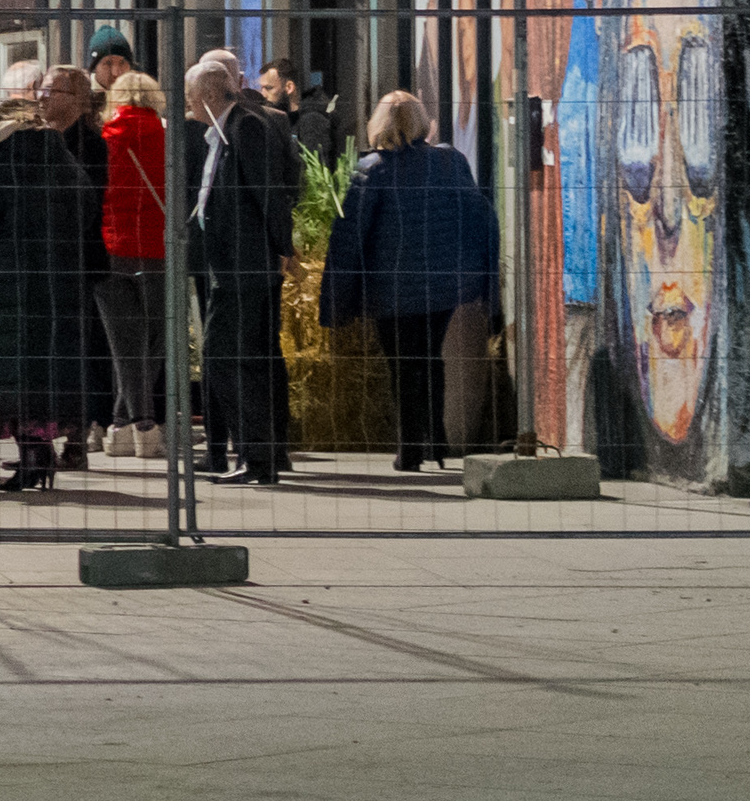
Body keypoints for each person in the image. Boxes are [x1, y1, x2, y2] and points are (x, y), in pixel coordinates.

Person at [322, 92, 500, 471]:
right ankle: (435, 440)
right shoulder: (451, 162)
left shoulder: (371, 169)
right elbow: (477, 216)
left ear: (379, 125)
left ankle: (410, 448)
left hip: (391, 287)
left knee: (402, 364)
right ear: (421, 122)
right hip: (441, 285)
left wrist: (339, 296)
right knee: (430, 356)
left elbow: (349, 235)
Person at [0, 69, 107, 490]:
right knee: (46, 370)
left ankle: (32, 459)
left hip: (8, 281)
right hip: (60, 283)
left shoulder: (6, 163)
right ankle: (42, 454)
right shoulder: (64, 161)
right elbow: (87, 210)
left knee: (14, 369)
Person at [183, 51, 299, 484]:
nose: (189, 106)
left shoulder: (245, 127)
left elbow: (268, 194)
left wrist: (282, 247)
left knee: (233, 358)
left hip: (245, 266)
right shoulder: (220, 132)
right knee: (227, 358)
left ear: (210, 94)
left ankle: (258, 456)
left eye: (193, 97)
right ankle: (254, 455)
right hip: (225, 265)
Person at [95, 69, 172, 446]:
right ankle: (135, 423)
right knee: (156, 336)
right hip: (157, 247)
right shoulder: (166, 135)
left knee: (123, 340)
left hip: (113, 247)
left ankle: (132, 421)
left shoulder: (106, 137)